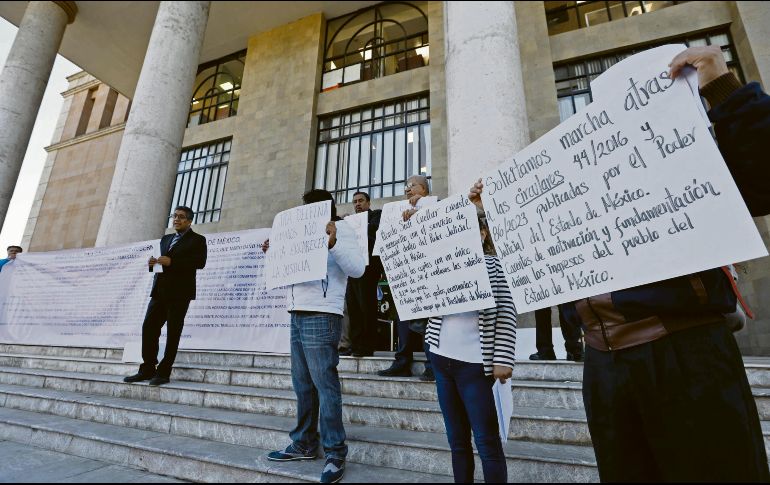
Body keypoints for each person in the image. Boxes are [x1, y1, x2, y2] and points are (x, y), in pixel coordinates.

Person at [468, 46, 770, 482]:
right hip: (603, 366)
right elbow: (536, 263)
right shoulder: (577, 187)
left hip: (682, 354)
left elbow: (761, 183)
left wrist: (725, 90)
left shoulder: (680, 153)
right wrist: (497, 209)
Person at [264, 189, 365, 484]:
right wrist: (275, 252)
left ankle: (335, 452)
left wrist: (332, 244)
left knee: (325, 384)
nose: (304, 211)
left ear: (324, 208)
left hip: (322, 314)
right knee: (302, 384)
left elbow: (357, 269)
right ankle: (304, 443)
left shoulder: (342, 228)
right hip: (296, 312)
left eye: (309, 207)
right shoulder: (297, 233)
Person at [426, 215, 516, 483]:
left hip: (476, 366)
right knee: (457, 440)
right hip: (442, 360)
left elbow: (506, 313)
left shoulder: (497, 267)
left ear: (484, 234)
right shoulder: (441, 263)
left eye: (471, 230)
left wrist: (503, 358)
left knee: (487, 441)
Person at [124, 206, 207, 387]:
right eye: (174, 216)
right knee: (149, 328)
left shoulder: (198, 240)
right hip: (159, 292)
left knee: (173, 333)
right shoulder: (166, 238)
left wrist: (173, 262)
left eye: (181, 217)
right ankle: (147, 369)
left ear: (189, 221)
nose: (176, 219)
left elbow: (200, 263)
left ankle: (163, 372)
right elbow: (160, 264)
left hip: (179, 294)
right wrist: (152, 263)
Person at [378, 174, 436, 381]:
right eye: (406, 187)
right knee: (403, 319)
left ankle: (433, 364)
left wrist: (419, 213)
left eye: (411, 186)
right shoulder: (397, 212)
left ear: (423, 188)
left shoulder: (435, 206)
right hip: (404, 273)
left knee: (429, 321)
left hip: (427, 274)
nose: (407, 190)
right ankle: (402, 361)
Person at [344, 191, 382, 357]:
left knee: (367, 306)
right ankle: (356, 343)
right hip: (353, 267)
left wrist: (353, 225)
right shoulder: (350, 221)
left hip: (369, 268)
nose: (357, 204)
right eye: (354, 202)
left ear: (368, 203)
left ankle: (368, 344)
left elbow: (374, 231)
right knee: (353, 307)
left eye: (360, 201)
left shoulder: (376, 215)